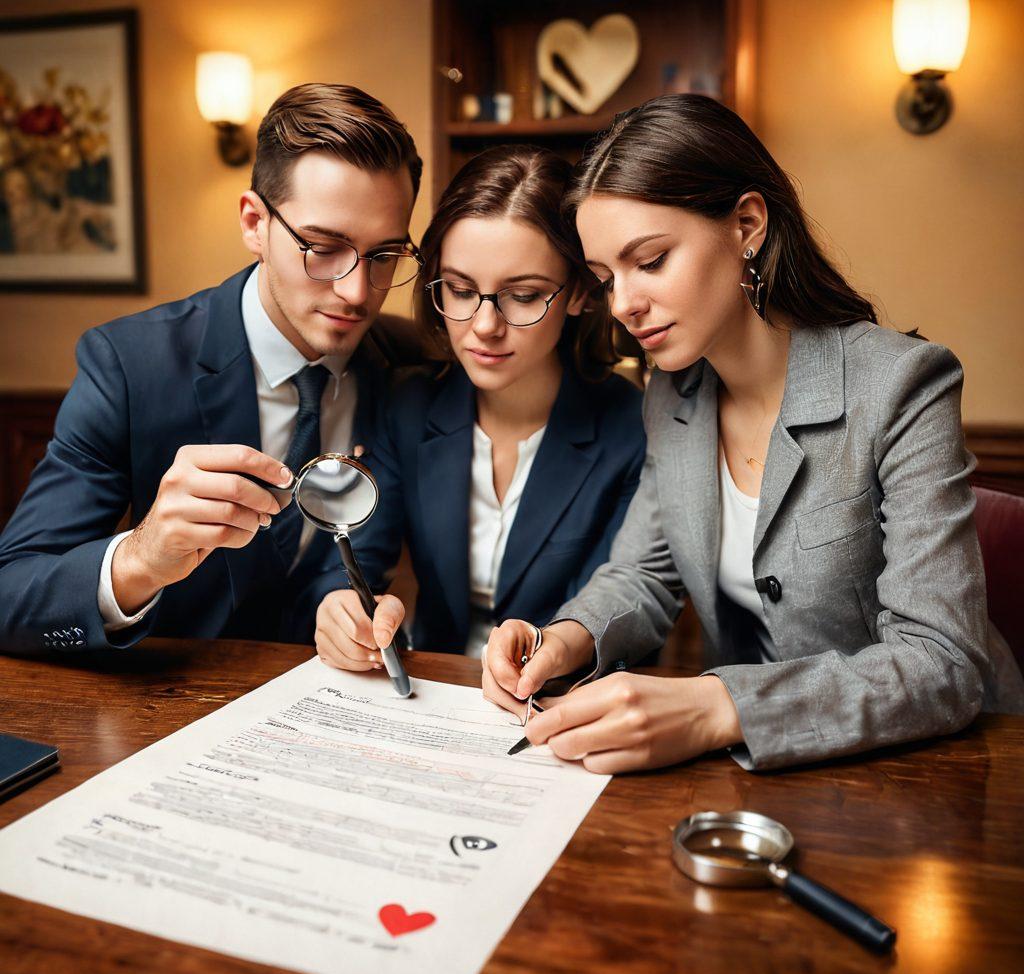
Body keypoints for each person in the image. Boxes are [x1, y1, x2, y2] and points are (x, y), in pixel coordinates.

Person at [482, 93, 1024, 773]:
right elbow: (643, 576)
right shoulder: (670, 397)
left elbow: (941, 662)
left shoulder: (902, 384)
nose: (623, 303)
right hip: (766, 778)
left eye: (649, 261)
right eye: (604, 277)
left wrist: (717, 706)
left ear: (746, 224)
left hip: (944, 770)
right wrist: (564, 638)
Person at [0, 83, 422, 653]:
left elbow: (354, 560)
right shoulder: (129, 365)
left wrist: (347, 610)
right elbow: (10, 595)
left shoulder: (406, 365)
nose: (357, 292)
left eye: (386, 255)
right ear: (254, 223)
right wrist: (139, 559)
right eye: (323, 247)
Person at [312, 145, 644, 665]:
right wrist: (341, 608)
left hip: (564, 696)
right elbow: (359, 558)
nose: (485, 326)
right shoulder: (407, 404)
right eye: (461, 290)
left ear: (579, 291)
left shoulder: (632, 427)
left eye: (525, 295)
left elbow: (623, 604)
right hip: (432, 688)